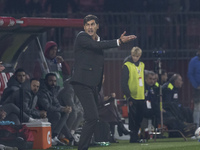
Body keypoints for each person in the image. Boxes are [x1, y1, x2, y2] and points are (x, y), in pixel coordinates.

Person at [70, 14, 137, 150]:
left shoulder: (99, 41)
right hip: (82, 83)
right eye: (87, 25)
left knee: (93, 118)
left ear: (97, 26)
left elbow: (98, 47)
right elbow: (96, 45)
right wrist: (119, 42)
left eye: (92, 24)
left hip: (93, 85)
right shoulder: (82, 37)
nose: (90, 27)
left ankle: (85, 145)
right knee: (93, 117)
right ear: (84, 27)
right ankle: (82, 147)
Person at [37, 73, 73, 146]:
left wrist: (64, 108)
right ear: (46, 81)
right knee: (57, 114)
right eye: (51, 81)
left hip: (51, 112)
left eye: (55, 81)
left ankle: (61, 136)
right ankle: (53, 136)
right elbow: (47, 107)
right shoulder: (42, 91)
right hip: (42, 113)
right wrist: (62, 109)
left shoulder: (52, 90)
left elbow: (56, 104)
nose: (53, 83)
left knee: (65, 113)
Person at [121, 46, 145, 143]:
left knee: (140, 117)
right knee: (132, 118)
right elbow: (123, 82)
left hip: (141, 95)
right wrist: (128, 95)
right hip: (132, 96)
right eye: (134, 56)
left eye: (137, 56)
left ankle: (136, 134)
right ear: (131, 55)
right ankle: (133, 137)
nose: (135, 58)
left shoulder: (142, 65)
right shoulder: (127, 65)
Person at [98, 75, 130, 143]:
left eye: (103, 78)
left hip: (101, 107)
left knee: (112, 107)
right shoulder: (96, 88)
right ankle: (120, 126)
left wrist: (110, 97)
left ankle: (119, 126)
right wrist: (109, 97)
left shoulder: (101, 87)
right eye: (101, 78)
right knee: (111, 109)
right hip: (97, 109)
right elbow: (98, 101)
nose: (102, 80)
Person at [188, 49, 200, 127]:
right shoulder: (194, 61)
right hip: (198, 88)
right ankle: (197, 128)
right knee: (197, 108)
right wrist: (196, 85)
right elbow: (190, 74)